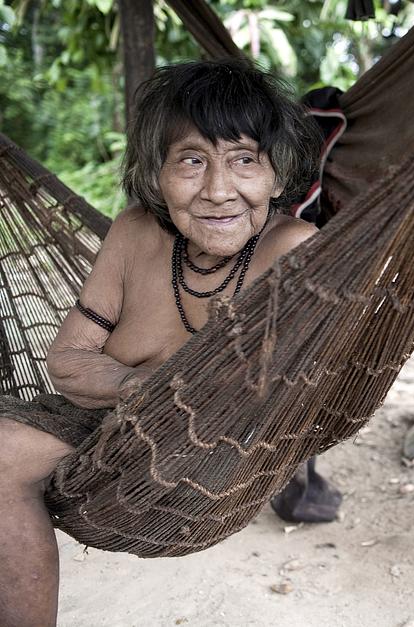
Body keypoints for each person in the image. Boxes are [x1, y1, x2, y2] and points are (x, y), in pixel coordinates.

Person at [0, 59, 337, 625]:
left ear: (278, 177)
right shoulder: (134, 232)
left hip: (202, 453)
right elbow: (67, 359)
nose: (217, 190)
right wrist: (135, 385)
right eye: (191, 161)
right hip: (91, 424)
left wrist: (147, 395)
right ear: (156, 175)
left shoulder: (295, 250)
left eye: (243, 161)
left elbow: (275, 390)